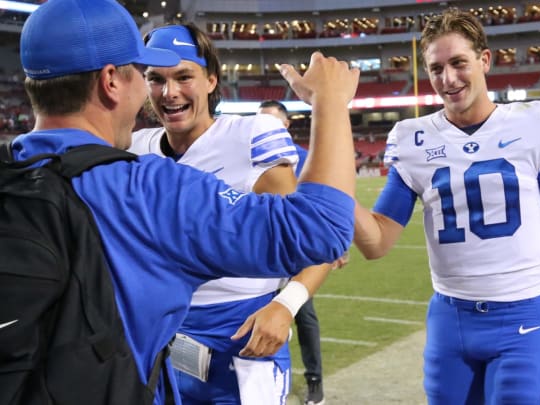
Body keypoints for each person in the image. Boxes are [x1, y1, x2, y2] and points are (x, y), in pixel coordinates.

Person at [9, 0, 360, 403]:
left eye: (181, 76)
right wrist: (329, 103)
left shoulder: (15, 173)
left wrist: (286, 302)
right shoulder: (146, 185)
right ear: (111, 80)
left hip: (185, 345)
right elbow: (322, 229)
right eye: (147, 76)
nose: (160, 91)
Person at [351, 8, 540, 404]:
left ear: (484, 60)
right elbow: (378, 240)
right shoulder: (412, 139)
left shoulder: (533, 122)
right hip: (449, 318)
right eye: (436, 68)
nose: (447, 79)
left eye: (458, 63)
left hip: (520, 316)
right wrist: (336, 197)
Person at [129, 26, 340, 405]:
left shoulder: (251, 135)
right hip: (161, 340)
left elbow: (312, 241)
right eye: (156, 79)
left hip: (242, 335)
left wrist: (285, 305)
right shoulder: (135, 149)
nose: (169, 92)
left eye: (183, 77)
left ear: (210, 80)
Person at [258, 99, 334, 405]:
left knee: (303, 315)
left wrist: (330, 242)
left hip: (294, 255)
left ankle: (314, 380)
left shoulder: (304, 159)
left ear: (287, 125)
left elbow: (322, 207)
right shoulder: (249, 155)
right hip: (257, 256)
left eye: (272, 121)